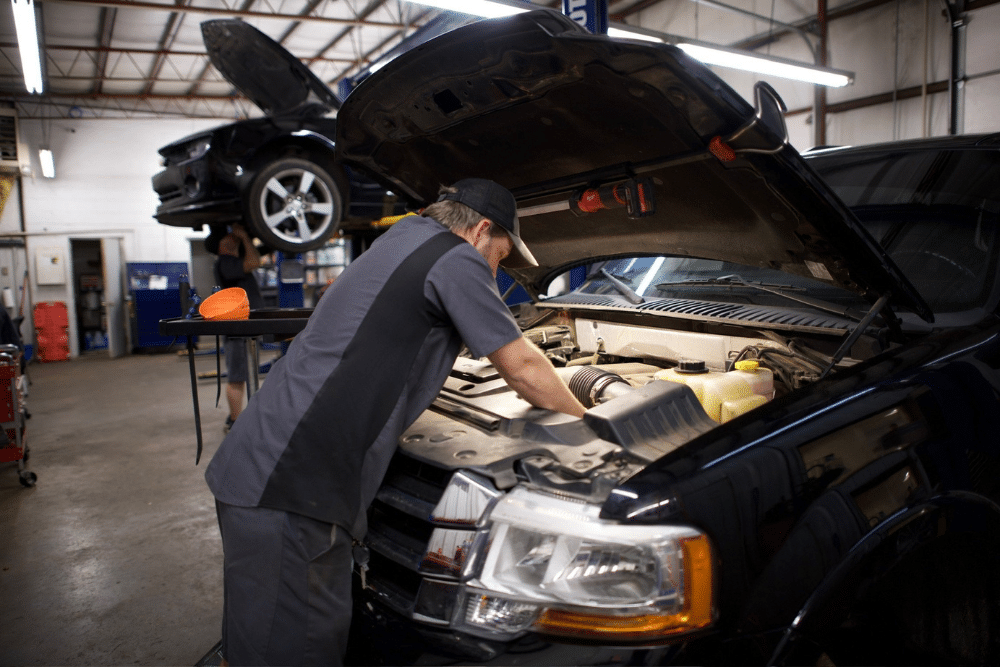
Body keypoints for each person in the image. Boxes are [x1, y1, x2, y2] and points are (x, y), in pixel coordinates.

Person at [204, 178, 586, 666]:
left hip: (258, 464)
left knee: (256, 634)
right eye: (500, 255)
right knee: (297, 648)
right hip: (292, 487)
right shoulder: (457, 256)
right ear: (480, 231)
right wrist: (595, 424)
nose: (496, 269)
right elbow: (526, 370)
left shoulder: (403, 238)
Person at [212, 223, 263, 432]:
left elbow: (256, 256)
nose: (232, 237)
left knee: (244, 375)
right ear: (221, 246)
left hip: (244, 329)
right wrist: (243, 236)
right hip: (237, 331)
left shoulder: (232, 260)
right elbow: (254, 261)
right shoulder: (225, 262)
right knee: (237, 377)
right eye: (228, 237)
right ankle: (235, 421)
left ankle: (235, 417)